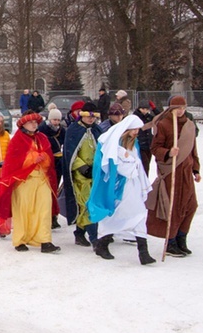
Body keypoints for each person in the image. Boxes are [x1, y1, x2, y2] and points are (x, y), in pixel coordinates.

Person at [86, 115, 156, 265]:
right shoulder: (114, 144)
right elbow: (119, 167)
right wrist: (131, 164)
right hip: (120, 187)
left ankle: (143, 253)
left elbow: (136, 164)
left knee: (139, 215)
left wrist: (134, 166)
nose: (137, 132)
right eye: (134, 129)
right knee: (115, 214)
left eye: (138, 129)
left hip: (133, 186)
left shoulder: (133, 143)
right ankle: (102, 244)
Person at [0, 112, 60, 253]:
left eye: (36, 122)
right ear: (23, 125)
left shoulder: (42, 138)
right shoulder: (17, 140)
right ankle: (20, 240)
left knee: (44, 209)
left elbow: (50, 159)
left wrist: (45, 158)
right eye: (31, 122)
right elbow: (13, 162)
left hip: (42, 179)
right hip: (23, 180)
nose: (34, 124)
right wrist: (32, 158)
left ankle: (45, 240)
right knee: (23, 210)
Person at [146, 96, 201, 258]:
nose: (181, 111)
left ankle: (181, 237)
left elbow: (193, 150)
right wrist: (168, 152)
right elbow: (155, 148)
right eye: (177, 108)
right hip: (171, 172)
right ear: (171, 109)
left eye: (183, 108)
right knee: (175, 207)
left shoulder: (189, 125)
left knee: (191, 205)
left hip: (186, 172)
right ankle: (170, 242)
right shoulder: (164, 125)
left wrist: (196, 170)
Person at [62, 102, 102, 247]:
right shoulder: (74, 130)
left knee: (91, 204)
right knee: (87, 203)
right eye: (88, 116)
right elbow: (69, 152)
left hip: (95, 174)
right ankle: (94, 237)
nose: (91, 120)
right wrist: (82, 166)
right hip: (80, 176)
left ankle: (79, 233)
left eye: (93, 117)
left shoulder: (97, 130)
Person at [38, 108, 66, 229]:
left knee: (54, 189)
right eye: (54, 119)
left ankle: (53, 216)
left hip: (57, 161)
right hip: (46, 162)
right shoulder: (43, 130)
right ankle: (45, 215)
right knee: (45, 189)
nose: (56, 122)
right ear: (50, 119)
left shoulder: (61, 131)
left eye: (58, 120)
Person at [133, 101, 156, 175]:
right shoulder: (135, 117)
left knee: (147, 166)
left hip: (148, 144)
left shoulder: (149, 117)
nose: (145, 111)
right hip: (139, 144)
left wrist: (154, 109)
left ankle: (145, 181)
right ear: (139, 108)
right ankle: (143, 183)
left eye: (147, 109)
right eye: (143, 109)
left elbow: (160, 118)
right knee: (143, 166)